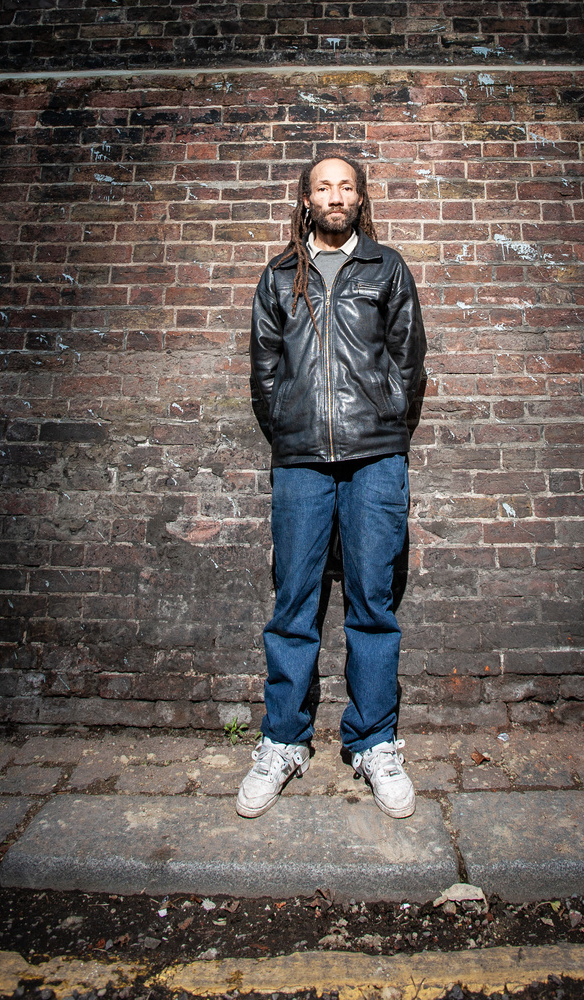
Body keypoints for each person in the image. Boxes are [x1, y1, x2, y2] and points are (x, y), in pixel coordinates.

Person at [237, 152, 427, 820]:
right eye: (324, 187)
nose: (336, 196)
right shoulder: (278, 276)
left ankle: (374, 744)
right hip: (300, 462)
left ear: (361, 198)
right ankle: (282, 741)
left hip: (376, 458)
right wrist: (292, 427)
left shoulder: (386, 268)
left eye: (346, 186)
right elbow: (264, 372)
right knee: (294, 602)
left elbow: (408, 361)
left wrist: (384, 421)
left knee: (373, 601)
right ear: (306, 199)